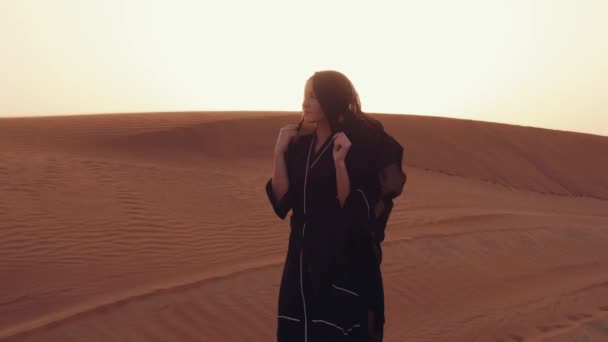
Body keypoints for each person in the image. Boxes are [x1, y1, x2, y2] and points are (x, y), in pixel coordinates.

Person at [265, 70, 406, 342]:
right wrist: (279, 152)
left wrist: (340, 162)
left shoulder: (356, 146)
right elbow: (281, 202)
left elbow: (350, 207)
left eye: (313, 97)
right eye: (304, 96)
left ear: (330, 100)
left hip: (339, 259)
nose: (305, 104)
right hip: (300, 258)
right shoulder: (300, 146)